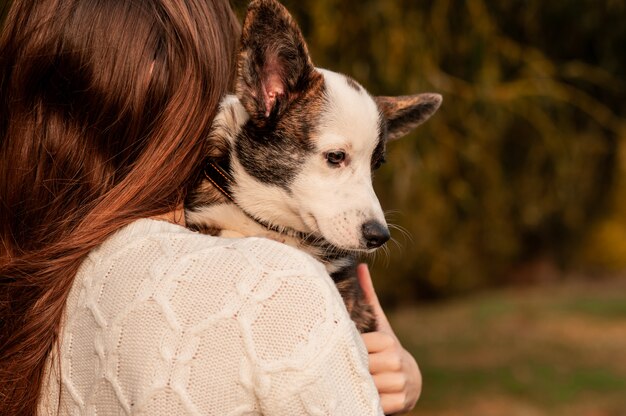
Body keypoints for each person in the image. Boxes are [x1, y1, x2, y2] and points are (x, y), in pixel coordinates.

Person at [0, 0, 420, 414]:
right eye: (334, 158)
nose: (374, 214)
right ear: (263, 91)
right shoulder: (283, 286)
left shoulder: (36, 270)